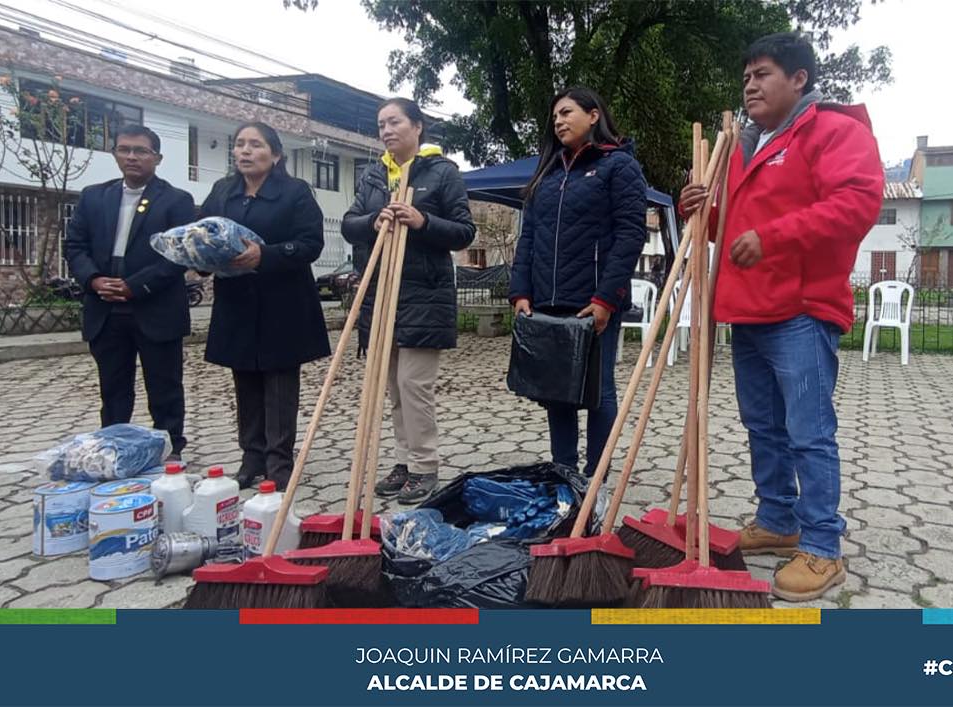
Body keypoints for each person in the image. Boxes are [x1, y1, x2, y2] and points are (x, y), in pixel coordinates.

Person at [680, 32, 884, 601]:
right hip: (748, 310)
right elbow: (731, 224)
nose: (750, 84)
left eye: (763, 73)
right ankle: (778, 518)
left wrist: (772, 238)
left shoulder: (834, 131)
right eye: (746, 76)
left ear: (799, 79)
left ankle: (822, 546)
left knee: (808, 431)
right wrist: (702, 207)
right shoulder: (746, 144)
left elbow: (857, 203)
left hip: (800, 309)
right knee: (762, 425)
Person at [507, 87, 648, 478]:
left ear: (593, 115)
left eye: (567, 112)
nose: (559, 121)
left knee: (598, 391)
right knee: (558, 394)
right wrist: (520, 292)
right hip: (547, 301)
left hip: (593, 302)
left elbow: (630, 234)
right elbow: (528, 237)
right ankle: (563, 474)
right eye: (554, 117)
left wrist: (606, 298)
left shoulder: (619, 166)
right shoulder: (547, 175)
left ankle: (596, 478)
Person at [342, 98, 476, 505]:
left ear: (417, 126)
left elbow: (464, 231)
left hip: (424, 294)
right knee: (393, 388)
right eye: (381, 123)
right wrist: (373, 220)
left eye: (394, 121)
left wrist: (422, 221)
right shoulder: (373, 174)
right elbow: (350, 224)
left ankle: (424, 465)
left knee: (414, 385)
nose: (386, 130)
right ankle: (403, 461)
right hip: (381, 293)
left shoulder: (442, 172)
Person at [201, 122, 329, 491]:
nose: (244, 151)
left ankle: (279, 461)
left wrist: (265, 255)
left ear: (275, 155)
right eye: (239, 144)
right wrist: (199, 256)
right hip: (237, 302)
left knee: (279, 385)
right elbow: (204, 232)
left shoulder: (294, 192)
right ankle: (250, 457)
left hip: (282, 303)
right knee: (245, 381)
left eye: (254, 145)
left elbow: (310, 244)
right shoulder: (222, 191)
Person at [65, 125, 196, 461]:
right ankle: (113, 448)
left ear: (157, 158)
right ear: (115, 154)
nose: (132, 157)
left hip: (155, 307)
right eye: (125, 150)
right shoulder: (95, 196)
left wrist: (136, 286)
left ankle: (170, 450)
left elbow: (179, 254)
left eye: (141, 151)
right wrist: (93, 279)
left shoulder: (176, 201)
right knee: (113, 388)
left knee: (164, 388)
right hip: (105, 308)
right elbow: (75, 245)